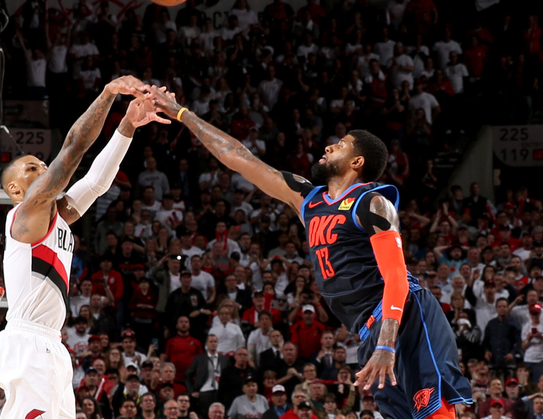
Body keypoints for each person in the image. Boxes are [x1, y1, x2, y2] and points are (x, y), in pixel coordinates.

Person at [147, 87, 472, 418]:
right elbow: (239, 157)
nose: (329, 147)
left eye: (341, 145)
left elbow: (396, 278)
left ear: (357, 162)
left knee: (434, 413)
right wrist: (183, 114)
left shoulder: (372, 203)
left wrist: (387, 343)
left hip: (405, 316)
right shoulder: (309, 200)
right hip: (368, 330)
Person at [0, 76, 166, 419]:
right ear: (15, 189)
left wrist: (127, 126)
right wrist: (108, 93)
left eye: (43, 165)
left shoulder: (57, 215)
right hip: (27, 342)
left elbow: (97, 182)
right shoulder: (25, 214)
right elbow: (73, 147)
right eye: (32, 169)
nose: (43, 169)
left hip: (51, 345)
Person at [185, 334, 231, 416]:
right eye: (211, 341)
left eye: (215, 341)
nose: (213, 343)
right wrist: (191, 391)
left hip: (220, 392)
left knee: (219, 415)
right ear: (206, 344)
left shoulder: (225, 359)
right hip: (204, 392)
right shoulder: (199, 358)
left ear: (217, 343)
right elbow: (188, 375)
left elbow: (229, 377)